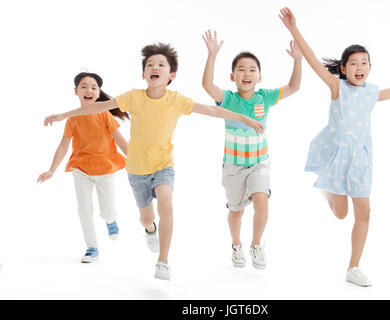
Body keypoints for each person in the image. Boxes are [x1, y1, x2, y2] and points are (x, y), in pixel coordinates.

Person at [44, 43, 264, 280]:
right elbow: (96, 107)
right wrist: (62, 116)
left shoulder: (177, 100)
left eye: (161, 64)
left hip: (163, 166)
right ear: (144, 74)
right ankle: (151, 230)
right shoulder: (133, 97)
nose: (154, 67)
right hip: (137, 169)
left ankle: (163, 261)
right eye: (150, 64)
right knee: (147, 218)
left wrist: (245, 118)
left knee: (166, 204)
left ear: (171, 75)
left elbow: (214, 111)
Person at [279, 7, 390, 286]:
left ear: (370, 68)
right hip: (337, 158)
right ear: (343, 68)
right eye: (353, 63)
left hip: (362, 160)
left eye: (364, 63)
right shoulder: (337, 88)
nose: (359, 68)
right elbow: (314, 62)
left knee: (365, 212)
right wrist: (294, 30)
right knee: (341, 214)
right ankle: (327, 192)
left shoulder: (372, 93)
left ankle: (353, 267)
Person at [201, 30, 302, 270]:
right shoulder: (227, 99)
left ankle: (256, 245)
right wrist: (212, 54)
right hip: (233, 166)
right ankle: (237, 245)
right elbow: (206, 85)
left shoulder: (265, 97)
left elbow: (293, 87)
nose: (247, 73)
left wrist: (298, 60)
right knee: (236, 211)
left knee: (261, 201)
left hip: (260, 163)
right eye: (241, 69)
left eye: (252, 69)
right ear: (233, 75)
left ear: (260, 77)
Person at [38, 72, 129, 263]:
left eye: (94, 87)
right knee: (84, 209)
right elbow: (63, 146)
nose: (89, 90)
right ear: (76, 91)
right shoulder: (72, 119)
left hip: (105, 168)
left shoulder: (104, 114)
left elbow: (120, 141)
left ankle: (111, 221)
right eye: (84, 86)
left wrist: (136, 161)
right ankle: (92, 247)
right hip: (81, 169)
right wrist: (51, 170)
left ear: (98, 93)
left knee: (107, 210)